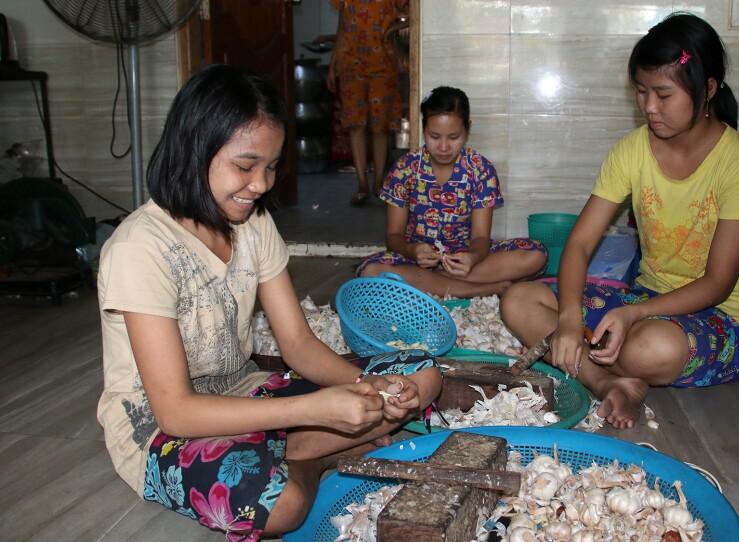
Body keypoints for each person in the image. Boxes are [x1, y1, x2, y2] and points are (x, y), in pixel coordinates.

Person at [96, 64, 442, 541]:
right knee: (282, 504)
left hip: (245, 390)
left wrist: (368, 384)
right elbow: (176, 411)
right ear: (194, 149)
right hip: (163, 431)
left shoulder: (252, 223)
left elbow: (297, 343)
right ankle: (317, 454)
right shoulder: (140, 248)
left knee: (420, 374)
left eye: (272, 166)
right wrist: (315, 410)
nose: (260, 185)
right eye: (245, 166)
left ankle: (303, 448)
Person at [500, 13, 739, 430]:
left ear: (708, 88)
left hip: (720, 317)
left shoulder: (738, 163)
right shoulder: (631, 151)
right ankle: (608, 382)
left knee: (649, 348)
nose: (650, 107)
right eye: (642, 92)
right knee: (519, 300)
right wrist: (571, 320)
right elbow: (578, 245)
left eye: (663, 94)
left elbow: (718, 283)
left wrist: (632, 317)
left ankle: (611, 367)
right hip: (644, 299)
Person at [356, 86, 549, 298]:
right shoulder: (406, 168)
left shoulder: (480, 170)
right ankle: (489, 289)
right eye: (434, 136)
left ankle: (435, 283)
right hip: (416, 260)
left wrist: (473, 258)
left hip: (466, 262)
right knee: (371, 270)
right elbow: (393, 236)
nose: (444, 147)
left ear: (468, 129)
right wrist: (412, 251)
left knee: (536, 254)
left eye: (454, 137)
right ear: (423, 130)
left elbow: (481, 237)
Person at [327, 0, 406, 206]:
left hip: (383, 61)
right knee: (355, 122)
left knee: (380, 125)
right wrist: (333, 62)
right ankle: (362, 183)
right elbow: (342, 26)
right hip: (350, 61)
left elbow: (416, 15)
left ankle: (379, 182)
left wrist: (395, 29)